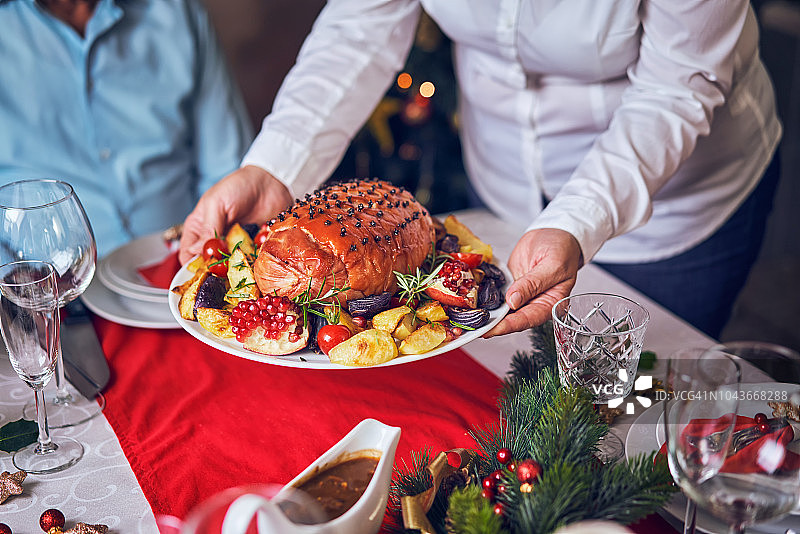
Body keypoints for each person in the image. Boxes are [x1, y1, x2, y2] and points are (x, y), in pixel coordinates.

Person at [179, 0, 781, 339]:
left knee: (644, 424)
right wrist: (275, 164)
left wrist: (580, 217)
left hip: (673, 201)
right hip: (501, 185)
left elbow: (677, 85)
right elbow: (358, 29)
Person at [0, 0, 252, 257]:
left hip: (187, 266)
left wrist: (207, 259)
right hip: (45, 288)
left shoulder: (176, 10)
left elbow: (227, 168)